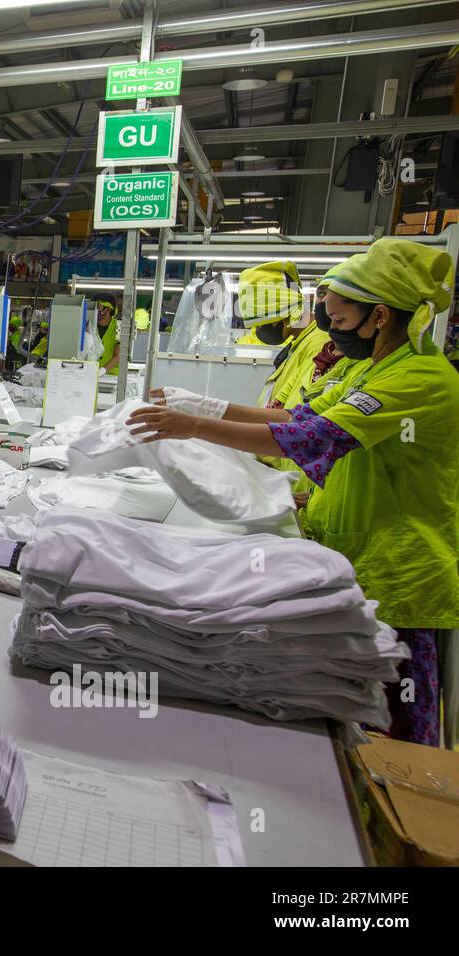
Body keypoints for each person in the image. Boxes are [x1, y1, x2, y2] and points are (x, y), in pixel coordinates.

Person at [127, 239, 458, 746]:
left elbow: (306, 440)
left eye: (341, 322)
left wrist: (190, 425)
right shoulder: (363, 368)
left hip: (400, 575)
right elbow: (296, 416)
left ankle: (393, 821)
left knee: (390, 731)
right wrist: (207, 407)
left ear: (381, 316)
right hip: (354, 556)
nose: (333, 334)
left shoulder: (418, 378)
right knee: (345, 715)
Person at [237, 260, 330, 408]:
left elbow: (300, 409)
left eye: (260, 325)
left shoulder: (319, 344)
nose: (258, 331)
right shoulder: (301, 340)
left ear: (276, 317)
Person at [95, 298, 120, 373]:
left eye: (98, 308)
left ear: (108, 309)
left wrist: (101, 371)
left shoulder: (118, 327)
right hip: (90, 373)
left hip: (111, 376)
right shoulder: (89, 324)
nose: (96, 312)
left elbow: (118, 356)